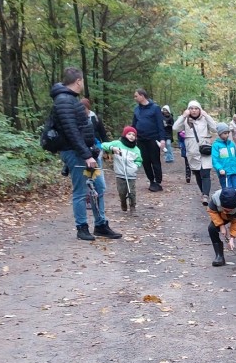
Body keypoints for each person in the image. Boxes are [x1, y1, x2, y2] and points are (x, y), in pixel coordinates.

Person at [49, 68, 121, 242]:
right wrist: (86, 155)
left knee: (99, 187)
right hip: (76, 154)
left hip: (85, 152)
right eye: (82, 81)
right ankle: (82, 227)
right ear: (78, 81)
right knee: (81, 191)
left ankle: (100, 225)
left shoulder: (70, 99)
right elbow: (71, 132)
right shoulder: (64, 100)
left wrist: (90, 152)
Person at [173, 100, 218, 204]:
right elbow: (175, 128)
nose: (194, 111)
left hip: (205, 149)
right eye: (191, 108)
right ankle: (203, 193)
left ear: (200, 109)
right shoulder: (185, 120)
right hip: (192, 151)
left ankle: (206, 195)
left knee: (205, 173)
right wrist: (183, 116)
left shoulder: (205, 119)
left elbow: (215, 129)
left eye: (196, 108)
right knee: (197, 173)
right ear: (188, 110)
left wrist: (207, 116)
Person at [132, 89, 168, 191]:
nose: (135, 98)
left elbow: (160, 124)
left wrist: (162, 139)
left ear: (142, 96)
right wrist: (132, 136)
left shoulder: (155, 108)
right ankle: (151, 181)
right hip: (141, 139)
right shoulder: (136, 110)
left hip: (153, 139)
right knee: (145, 161)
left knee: (155, 160)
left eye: (136, 96)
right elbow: (134, 124)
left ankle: (158, 181)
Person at [102, 125, 142, 213]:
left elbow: (139, 160)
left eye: (133, 135)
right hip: (120, 174)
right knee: (122, 192)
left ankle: (132, 207)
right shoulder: (117, 144)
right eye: (129, 134)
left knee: (132, 192)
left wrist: (136, 166)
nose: (131, 136)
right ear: (124, 134)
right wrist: (112, 148)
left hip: (131, 174)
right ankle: (123, 202)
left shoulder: (136, 149)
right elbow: (103, 145)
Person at [211, 123, 236, 194]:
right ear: (219, 134)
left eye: (228, 133)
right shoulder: (216, 145)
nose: (227, 135)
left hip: (234, 171)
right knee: (227, 190)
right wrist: (220, 168)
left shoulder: (232, 144)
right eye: (225, 133)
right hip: (224, 173)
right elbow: (215, 159)